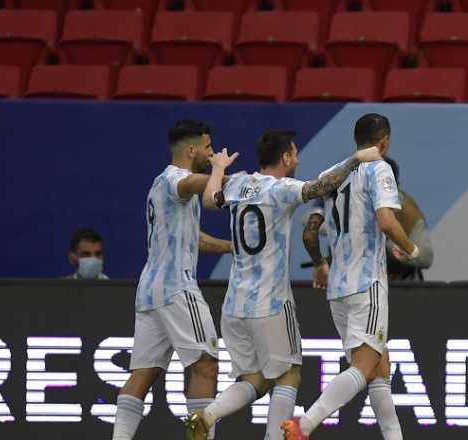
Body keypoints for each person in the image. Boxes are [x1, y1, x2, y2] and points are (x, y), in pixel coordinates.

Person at [183, 130, 383, 440]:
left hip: (234, 303)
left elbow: (210, 200)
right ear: (286, 158)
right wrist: (355, 158)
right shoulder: (282, 189)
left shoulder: (237, 182)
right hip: (271, 302)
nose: (298, 159)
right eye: (295, 153)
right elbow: (322, 186)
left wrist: (219, 168)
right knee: (288, 376)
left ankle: (208, 414)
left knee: (254, 379)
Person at [285, 113, 419, 440]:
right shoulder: (380, 168)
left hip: (339, 288)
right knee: (364, 365)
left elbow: (310, 232)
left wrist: (319, 264)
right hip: (366, 283)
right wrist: (411, 249)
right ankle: (304, 425)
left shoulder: (334, 176)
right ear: (384, 141)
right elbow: (387, 221)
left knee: (379, 367)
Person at [111, 120, 233, 440]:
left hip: (150, 291)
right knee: (206, 365)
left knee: (143, 374)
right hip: (177, 288)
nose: (210, 153)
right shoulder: (177, 180)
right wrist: (224, 172)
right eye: (207, 148)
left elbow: (194, 238)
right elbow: (203, 187)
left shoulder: (157, 184)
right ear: (191, 149)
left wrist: (233, 248)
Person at [383, 157, 434, 281]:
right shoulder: (352, 205)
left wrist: (387, 244)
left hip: (399, 288)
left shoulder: (408, 213)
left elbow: (425, 257)